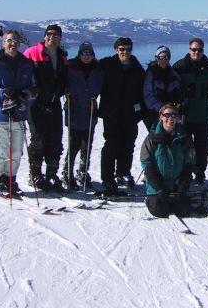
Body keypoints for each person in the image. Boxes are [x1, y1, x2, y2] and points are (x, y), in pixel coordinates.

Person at [0, 30, 34, 196]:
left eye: (16, 41)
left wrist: (25, 94)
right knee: (0, 150)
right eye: (9, 40)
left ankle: (9, 179)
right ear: (3, 43)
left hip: (18, 113)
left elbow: (34, 87)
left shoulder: (26, 64)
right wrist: (3, 93)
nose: (13, 44)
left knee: (16, 151)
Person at [23, 24, 68, 192]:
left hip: (54, 101)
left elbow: (63, 78)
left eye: (56, 35)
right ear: (44, 36)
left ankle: (52, 174)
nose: (52, 37)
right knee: (38, 139)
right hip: (35, 103)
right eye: (49, 34)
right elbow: (22, 74)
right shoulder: (32, 52)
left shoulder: (62, 56)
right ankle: (35, 174)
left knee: (55, 138)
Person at [98, 37, 146, 192]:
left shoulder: (137, 68)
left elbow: (142, 91)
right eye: (122, 49)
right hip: (111, 113)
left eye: (128, 49)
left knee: (128, 145)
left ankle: (123, 172)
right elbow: (90, 72)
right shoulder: (107, 65)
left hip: (130, 114)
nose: (125, 52)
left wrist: (140, 112)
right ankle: (107, 177)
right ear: (116, 50)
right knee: (111, 145)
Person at [173, 38, 208, 185]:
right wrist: (181, 95)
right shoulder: (179, 66)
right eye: (194, 49)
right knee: (183, 146)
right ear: (189, 49)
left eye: (199, 50)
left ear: (203, 51)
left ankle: (200, 172)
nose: (196, 52)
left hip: (203, 115)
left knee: (202, 147)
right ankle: (183, 174)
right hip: (184, 115)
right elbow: (172, 88)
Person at [140, 103, 195, 218]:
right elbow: (147, 165)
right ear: (161, 116)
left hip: (176, 184)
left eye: (174, 115)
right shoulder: (152, 138)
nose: (170, 118)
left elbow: (189, 164)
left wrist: (182, 186)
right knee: (160, 211)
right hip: (157, 186)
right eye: (167, 115)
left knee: (183, 211)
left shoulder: (184, 137)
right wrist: (159, 188)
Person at [62, 41, 103, 191]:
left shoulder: (97, 69)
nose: (87, 56)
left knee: (87, 144)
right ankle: (67, 172)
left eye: (89, 53)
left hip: (90, 109)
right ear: (79, 55)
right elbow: (62, 81)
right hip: (74, 108)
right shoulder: (71, 67)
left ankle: (83, 171)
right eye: (84, 53)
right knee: (74, 144)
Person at [143, 45, 185, 130]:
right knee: (158, 137)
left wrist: (181, 103)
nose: (164, 60)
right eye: (162, 57)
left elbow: (179, 90)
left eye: (167, 57)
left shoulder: (173, 73)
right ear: (156, 58)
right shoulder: (151, 74)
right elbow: (148, 95)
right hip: (154, 113)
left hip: (170, 114)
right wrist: (162, 108)